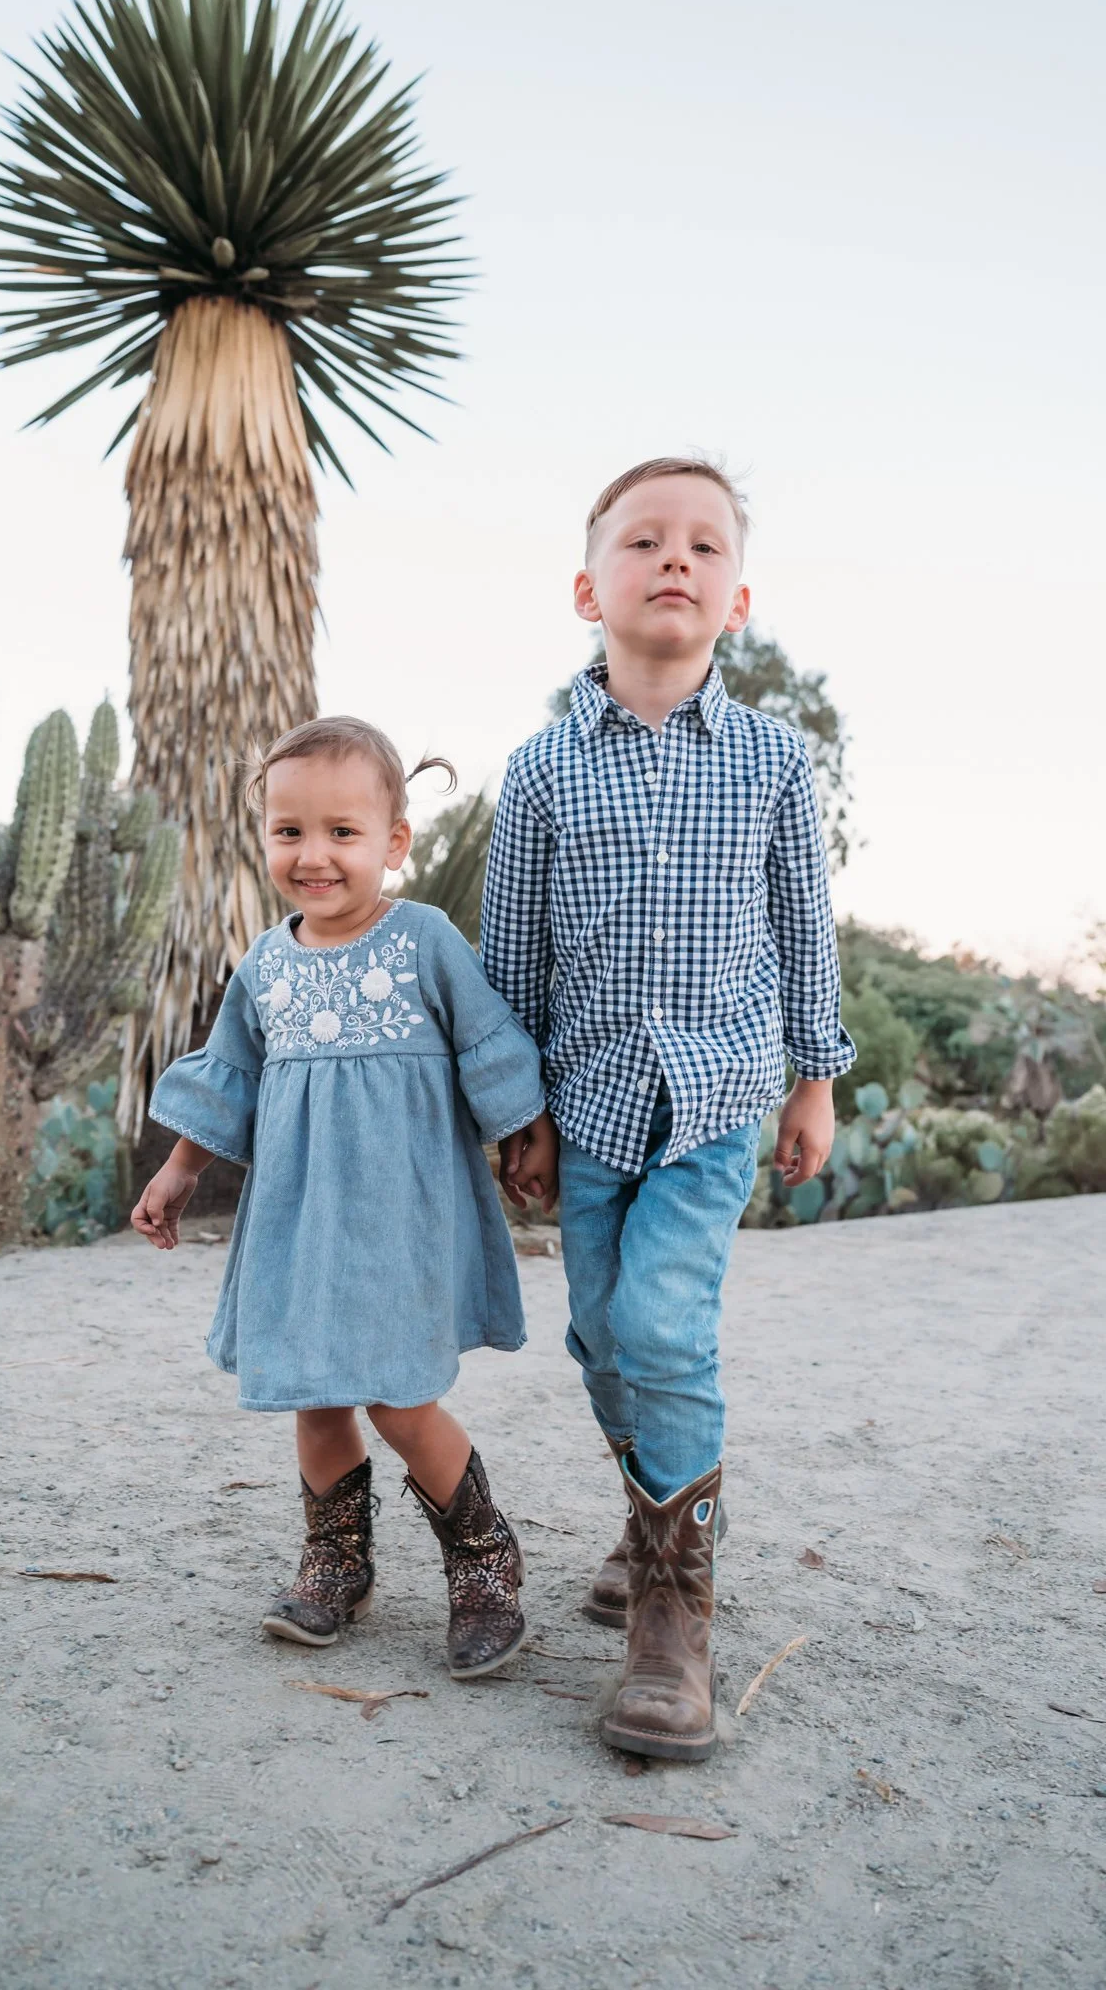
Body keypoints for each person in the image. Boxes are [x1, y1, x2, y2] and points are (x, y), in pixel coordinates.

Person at [481, 457, 855, 1761]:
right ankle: (655, 1514)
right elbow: (510, 955)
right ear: (591, 587)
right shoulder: (538, 773)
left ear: (735, 598)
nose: (675, 560)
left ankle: (671, 1617)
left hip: (714, 1105)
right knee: (600, 1338)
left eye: (703, 545)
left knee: (661, 1328)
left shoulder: (769, 759)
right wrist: (514, 1107)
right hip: (585, 1106)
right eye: (645, 541)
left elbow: (804, 928)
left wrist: (815, 1075)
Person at [132, 717, 557, 1680]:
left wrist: (524, 1135)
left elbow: (489, 1043)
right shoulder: (266, 964)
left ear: (393, 842)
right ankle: (336, 1564)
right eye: (289, 832)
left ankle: (484, 1560)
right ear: (266, 838)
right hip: (297, 1216)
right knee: (316, 1395)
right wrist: (179, 1171)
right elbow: (230, 1080)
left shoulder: (424, 940)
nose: (312, 855)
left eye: (341, 832)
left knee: (400, 1400)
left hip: (402, 1216)